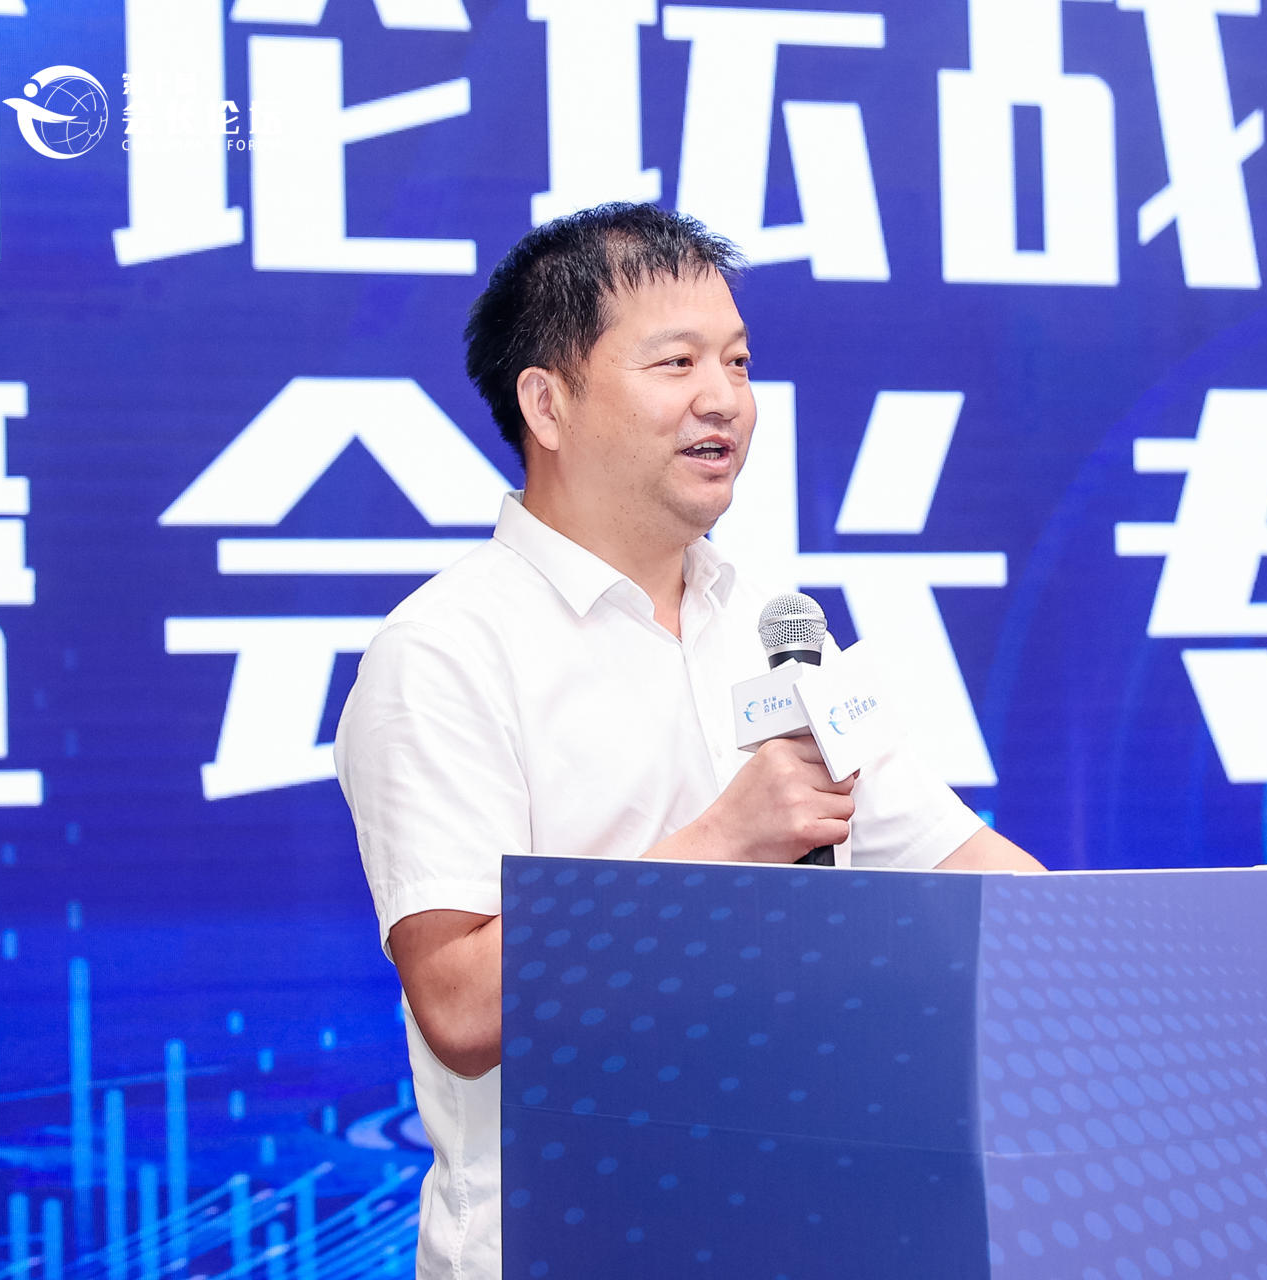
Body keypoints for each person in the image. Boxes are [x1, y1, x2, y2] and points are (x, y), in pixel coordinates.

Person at [332, 202, 1044, 1280]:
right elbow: (462, 1007)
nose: (725, 399)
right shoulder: (444, 651)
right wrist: (726, 842)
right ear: (548, 403)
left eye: (739, 362)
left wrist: (1143, 962)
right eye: (676, 362)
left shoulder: (773, 626)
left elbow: (967, 869)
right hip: (569, 1248)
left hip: (802, 1233)